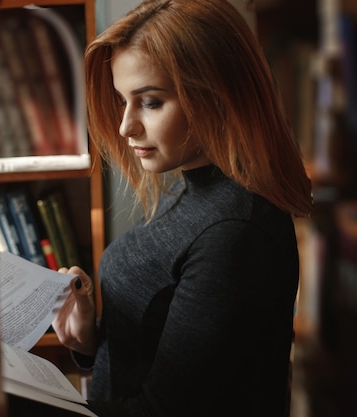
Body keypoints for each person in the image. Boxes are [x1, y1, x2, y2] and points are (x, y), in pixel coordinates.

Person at [52, 0, 315, 416]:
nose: (125, 126)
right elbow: (165, 350)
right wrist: (89, 341)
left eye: (151, 102)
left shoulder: (233, 231)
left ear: (216, 94)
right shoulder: (188, 187)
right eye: (123, 100)